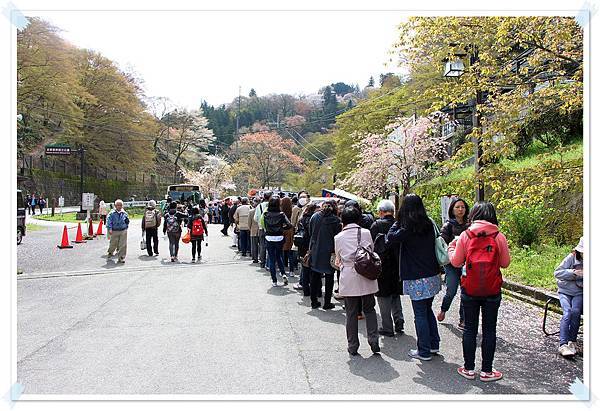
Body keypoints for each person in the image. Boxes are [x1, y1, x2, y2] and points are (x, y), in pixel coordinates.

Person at [448, 201, 511, 382]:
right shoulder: (499, 236)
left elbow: (456, 262)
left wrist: (452, 247)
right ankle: (487, 371)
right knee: (489, 330)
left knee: (470, 329)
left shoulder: (466, 235)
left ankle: (468, 369)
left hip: (470, 289)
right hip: (492, 289)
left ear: (473, 215)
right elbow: (505, 263)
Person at [386, 194, 441, 361]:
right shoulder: (429, 223)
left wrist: (398, 220)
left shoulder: (406, 228)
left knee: (420, 314)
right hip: (432, 274)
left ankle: (423, 351)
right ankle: (433, 344)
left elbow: (390, 237)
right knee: (427, 309)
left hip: (417, 277)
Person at [335, 206, 380, 355]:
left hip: (348, 276)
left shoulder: (338, 237)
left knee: (351, 313)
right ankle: (374, 340)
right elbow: (371, 251)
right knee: (370, 309)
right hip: (366, 274)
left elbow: (338, 258)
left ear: (343, 220)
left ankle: (353, 345)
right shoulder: (366, 233)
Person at [370, 199, 404, 336]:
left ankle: (387, 327)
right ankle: (399, 320)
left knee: (383, 296)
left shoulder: (376, 225)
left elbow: (371, 245)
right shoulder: (399, 224)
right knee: (395, 294)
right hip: (398, 264)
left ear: (381, 212)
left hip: (382, 265)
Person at [437, 197, 470, 330]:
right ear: (452, 209)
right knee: (451, 290)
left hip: (466, 264)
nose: (460, 209)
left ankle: (463, 319)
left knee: (465, 291)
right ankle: (444, 309)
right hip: (451, 264)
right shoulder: (448, 225)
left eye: (463, 207)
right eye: (457, 207)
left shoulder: (470, 225)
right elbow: (441, 244)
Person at [309, 199, 342, 309]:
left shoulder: (314, 217)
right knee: (329, 276)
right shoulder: (336, 220)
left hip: (315, 249)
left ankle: (314, 301)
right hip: (330, 251)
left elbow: (310, 232)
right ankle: (327, 302)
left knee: (315, 275)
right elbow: (338, 237)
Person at [554, 237, 583, 358]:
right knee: (567, 312)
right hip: (565, 291)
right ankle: (563, 344)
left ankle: (572, 341)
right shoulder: (571, 258)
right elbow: (557, 273)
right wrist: (573, 273)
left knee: (576, 312)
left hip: (580, 292)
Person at [263, 197, 292, 287]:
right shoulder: (281, 214)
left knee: (271, 259)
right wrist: (281, 228)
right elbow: (289, 225)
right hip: (279, 237)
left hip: (269, 237)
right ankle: (283, 273)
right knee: (279, 256)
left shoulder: (266, 214)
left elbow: (264, 225)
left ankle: (274, 280)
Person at [294, 203, 318, 296]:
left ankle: (305, 288)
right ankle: (314, 289)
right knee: (313, 268)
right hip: (311, 245)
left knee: (304, 266)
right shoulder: (314, 220)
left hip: (302, 245)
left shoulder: (302, 219)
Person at [106, 199, 130, 264]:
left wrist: (126, 225)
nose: (119, 206)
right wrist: (110, 228)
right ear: (115, 206)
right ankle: (110, 252)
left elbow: (127, 220)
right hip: (114, 230)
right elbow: (108, 221)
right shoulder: (111, 213)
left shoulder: (124, 213)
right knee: (113, 243)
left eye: (120, 205)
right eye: (118, 205)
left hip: (123, 230)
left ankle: (121, 258)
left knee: (123, 245)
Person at [255, 191, 273, 269]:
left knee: (262, 246)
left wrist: (260, 222)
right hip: (271, 229)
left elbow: (255, 218)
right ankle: (269, 263)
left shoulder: (259, 206)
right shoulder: (272, 205)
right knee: (270, 246)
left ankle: (262, 262)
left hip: (261, 228)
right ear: (270, 197)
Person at [281, 197, 296, 276]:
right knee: (290, 251)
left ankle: (282, 270)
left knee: (283, 250)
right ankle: (291, 271)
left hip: (282, 230)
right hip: (290, 230)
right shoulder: (292, 210)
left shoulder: (281, 211)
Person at [248, 198, 260, 263]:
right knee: (262, 245)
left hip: (253, 230)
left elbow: (249, 223)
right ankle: (262, 258)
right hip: (261, 229)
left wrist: (250, 229)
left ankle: (255, 258)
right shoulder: (263, 210)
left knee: (254, 245)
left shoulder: (251, 211)